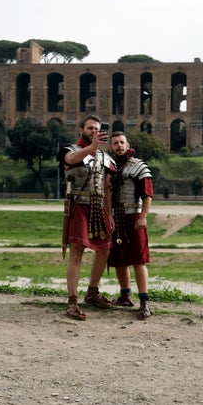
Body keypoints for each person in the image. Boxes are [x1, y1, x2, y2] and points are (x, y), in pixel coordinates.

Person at [57, 114, 116, 320]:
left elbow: (107, 187)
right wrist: (90, 149)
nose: (94, 132)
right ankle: (72, 301)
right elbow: (70, 161)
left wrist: (109, 213)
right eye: (90, 128)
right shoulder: (71, 150)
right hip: (79, 205)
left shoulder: (105, 158)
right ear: (81, 130)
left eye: (97, 129)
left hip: (99, 207)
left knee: (105, 249)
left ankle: (92, 292)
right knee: (77, 251)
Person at [107, 131, 154, 320]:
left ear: (128, 144)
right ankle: (125, 296)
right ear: (111, 147)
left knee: (138, 259)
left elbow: (147, 194)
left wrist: (143, 216)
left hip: (134, 216)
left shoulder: (139, 166)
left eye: (122, 142)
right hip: (115, 217)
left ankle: (144, 302)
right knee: (119, 258)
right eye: (115, 143)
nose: (119, 145)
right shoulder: (109, 167)